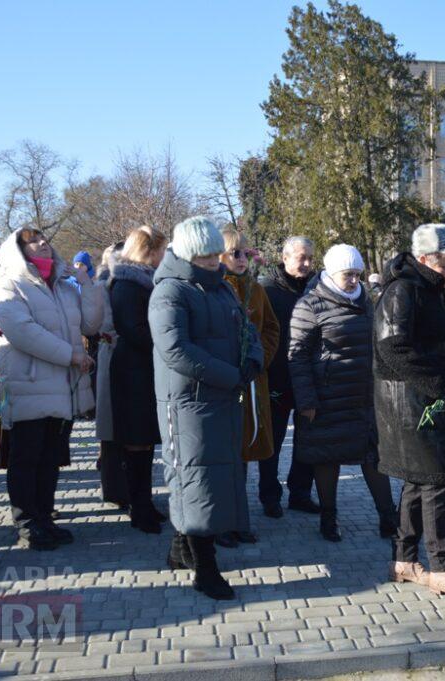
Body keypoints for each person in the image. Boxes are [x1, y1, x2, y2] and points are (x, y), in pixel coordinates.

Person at [149, 216, 262, 600]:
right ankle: (206, 569)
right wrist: (229, 375)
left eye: (217, 254)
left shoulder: (221, 290)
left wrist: (252, 359)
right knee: (195, 481)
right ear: (187, 254)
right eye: (207, 256)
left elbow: (246, 329)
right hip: (189, 404)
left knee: (211, 480)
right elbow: (176, 350)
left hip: (222, 399)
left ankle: (182, 550)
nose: (215, 262)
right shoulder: (170, 292)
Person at [374, 223, 445, 600]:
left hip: (431, 402)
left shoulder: (436, 291)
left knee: (420, 483)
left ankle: (404, 561)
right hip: (412, 405)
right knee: (437, 481)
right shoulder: (403, 291)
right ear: (423, 259)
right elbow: (393, 348)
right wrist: (440, 380)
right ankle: (442, 569)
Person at [0, 228, 102, 550]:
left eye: (43, 239)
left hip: (63, 384)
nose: (42, 243)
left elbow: (91, 325)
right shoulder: (10, 284)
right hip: (29, 382)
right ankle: (27, 522)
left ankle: (44, 518)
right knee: (26, 457)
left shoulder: (63, 287)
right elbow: (21, 331)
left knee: (50, 457)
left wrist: (87, 285)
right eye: (32, 241)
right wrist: (71, 355)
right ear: (19, 250)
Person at [289, 244, 396, 543]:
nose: (354, 281)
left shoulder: (366, 302)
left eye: (358, 275)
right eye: (348, 274)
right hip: (327, 400)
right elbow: (296, 357)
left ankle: (388, 517)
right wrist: (306, 400)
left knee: (373, 456)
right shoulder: (309, 306)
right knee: (327, 458)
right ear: (332, 274)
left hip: (363, 397)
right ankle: (329, 518)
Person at [219, 228, 279, 548]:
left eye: (245, 253)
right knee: (228, 455)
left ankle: (239, 520)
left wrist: (259, 359)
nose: (242, 259)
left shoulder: (256, 289)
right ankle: (224, 522)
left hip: (253, 380)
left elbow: (270, 328)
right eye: (234, 253)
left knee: (244, 452)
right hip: (227, 382)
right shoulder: (215, 288)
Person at [109, 226, 168, 535]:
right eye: (161, 250)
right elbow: (134, 329)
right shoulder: (126, 284)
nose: (163, 256)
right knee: (136, 443)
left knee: (145, 444)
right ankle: (138, 507)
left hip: (144, 370)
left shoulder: (145, 281)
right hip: (132, 372)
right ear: (148, 251)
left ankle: (145, 503)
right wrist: (167, 343)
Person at [258, 236, 318, 518]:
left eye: (310, 258)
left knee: (308, 439)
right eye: (300, 258)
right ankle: (270, 496)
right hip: (277, 377)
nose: (306, 263)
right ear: (285, 258)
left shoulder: (318, 289)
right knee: (273, 441)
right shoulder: (267, 290)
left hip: (309, 378)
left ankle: (301, 493)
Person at [94, 243, 130, 511]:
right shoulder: (103, 287)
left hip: (129, 358)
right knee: (112, 430)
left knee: (128, 429)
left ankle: (128, 486)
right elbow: (104, 325)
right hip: (113, 356)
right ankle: (115, 489)